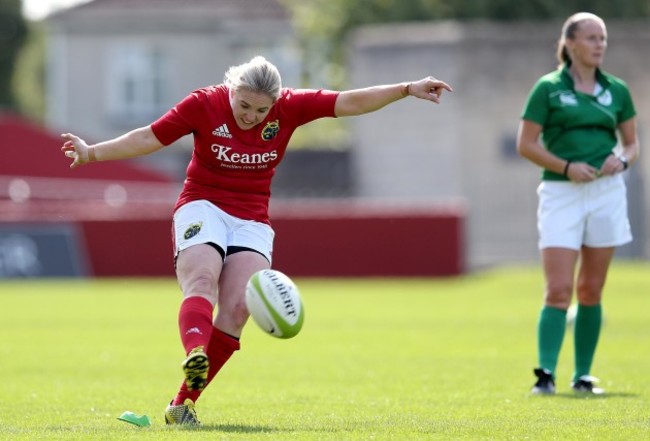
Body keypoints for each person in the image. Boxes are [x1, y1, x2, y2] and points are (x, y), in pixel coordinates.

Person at [61, 56, 453, 424]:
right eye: (244, 106)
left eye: (261, 110)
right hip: (202, 204)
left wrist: (406, 88)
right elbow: (152, 136)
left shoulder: (291, 107)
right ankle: (195, 350)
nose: (251, 117)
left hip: (251, 218)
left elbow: (348, 101)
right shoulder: (203, 104)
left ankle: (181, 406)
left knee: (236, 310)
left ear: (276, 103)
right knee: (202, 278)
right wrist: (92, 153)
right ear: (230, 90)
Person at [516, 13, 639, 395]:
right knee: (557, 290)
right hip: (560, 193)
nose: (599, 44)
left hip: (606, 194)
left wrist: (621, 160)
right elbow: (527, 144)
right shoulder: (548, 88)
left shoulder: (616, 90)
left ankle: (583, 375)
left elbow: (633, 144)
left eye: (602, 38)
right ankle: (546, 375)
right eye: (591, 38)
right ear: (570, 44)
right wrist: (566, 167)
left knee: (591, 290)